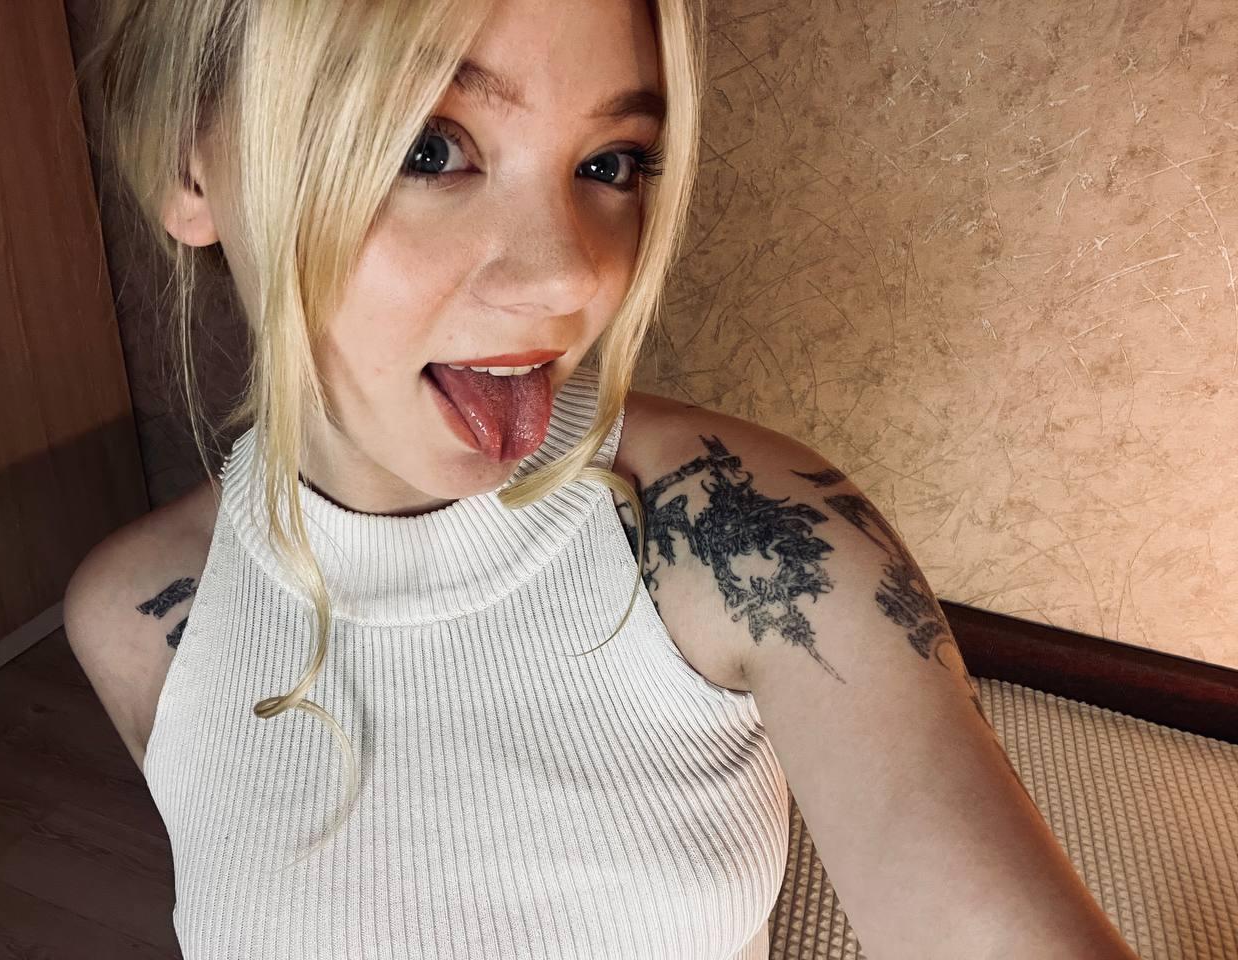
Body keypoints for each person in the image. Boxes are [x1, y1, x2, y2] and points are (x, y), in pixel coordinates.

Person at [63, 1, 1142, 959]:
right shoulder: (138, 619)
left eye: (611, 163)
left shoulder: (746, 528)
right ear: (192, 169)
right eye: (429, 148)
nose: (569, 275)